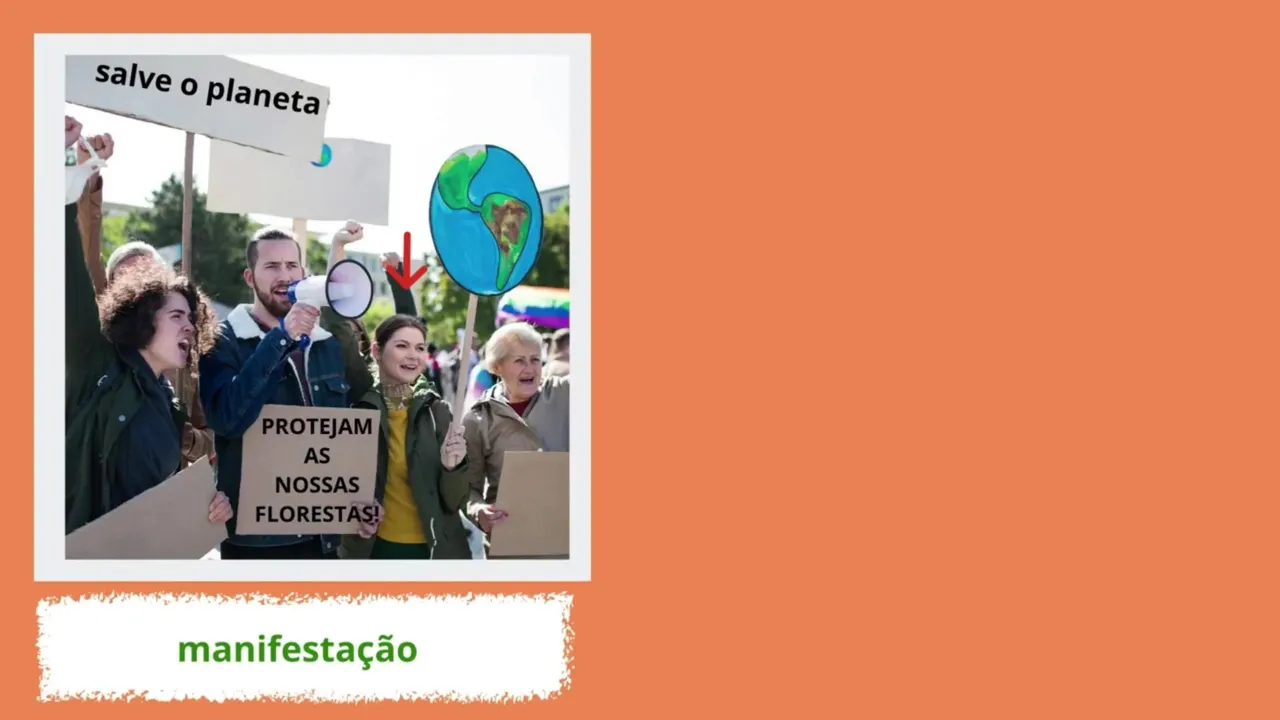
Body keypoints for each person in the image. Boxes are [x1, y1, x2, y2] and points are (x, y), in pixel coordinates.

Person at [64, 116, 231, 534]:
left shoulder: (168, 403)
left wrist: (208, 505)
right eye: (176, 315)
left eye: (191, 318)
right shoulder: (96, 365)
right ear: (141, 318)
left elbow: (162, 499)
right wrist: (70, 172)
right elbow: (68, 259)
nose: (189, 327)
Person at [198, 224, 374, 560]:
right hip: (257, 543)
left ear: (303, 273)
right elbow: (227, 419)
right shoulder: (224, 341)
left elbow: (357, 425)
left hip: (322, 535)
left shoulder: (325, 344)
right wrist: (280, 338)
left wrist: (366, 497)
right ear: (249, 277)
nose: (284, 276)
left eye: (292, 266)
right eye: (272, 266)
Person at [326, 315, 473, 559]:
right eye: (402, 346)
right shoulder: (357, 408)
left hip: (433, 554)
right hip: (371, 552)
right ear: (376, 351)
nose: (413, 355)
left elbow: (454, 501)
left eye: (420, 348)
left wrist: (453, 468)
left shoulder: (438, 412)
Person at [458, 321, 570, 553]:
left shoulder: (565, 392)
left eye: (535, 359)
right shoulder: (478, 419)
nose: (530, 368)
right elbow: (468, 488)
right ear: (496, 366)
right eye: (519, 360)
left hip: (566, 539)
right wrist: (479, 512)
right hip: (510, 543)